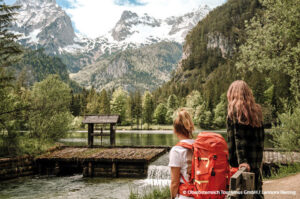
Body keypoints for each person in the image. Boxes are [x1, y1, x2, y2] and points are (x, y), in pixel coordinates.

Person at [227, 80, 265, 199]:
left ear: (232, 93)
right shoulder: (257, 111)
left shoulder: (235, 110)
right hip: (255, 162)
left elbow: (239, 139)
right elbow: (261, 138)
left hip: (241, 164)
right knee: (256, 192)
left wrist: (242, 161)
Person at [169, 109, 195, 199]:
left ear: (175, 130)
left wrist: (172, 197)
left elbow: (174, 183)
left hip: (186, 195)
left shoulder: (176, 150)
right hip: (202, 193)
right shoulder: (199, 146)